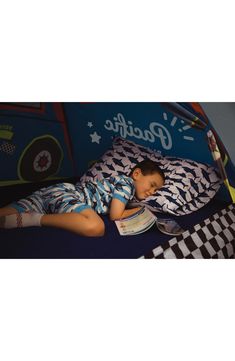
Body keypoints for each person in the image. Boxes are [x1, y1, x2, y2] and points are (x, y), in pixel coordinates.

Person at [0, 159, 165, 237]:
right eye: (152, 184)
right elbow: (116, 215)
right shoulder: (126, 184)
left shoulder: (119, 183)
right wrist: (141, 210)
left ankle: (29, 215)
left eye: (156, 190)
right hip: (68, 195)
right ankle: (35, 219)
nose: (152, 191)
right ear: (136, 174)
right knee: (96, 227)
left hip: (52, 192)